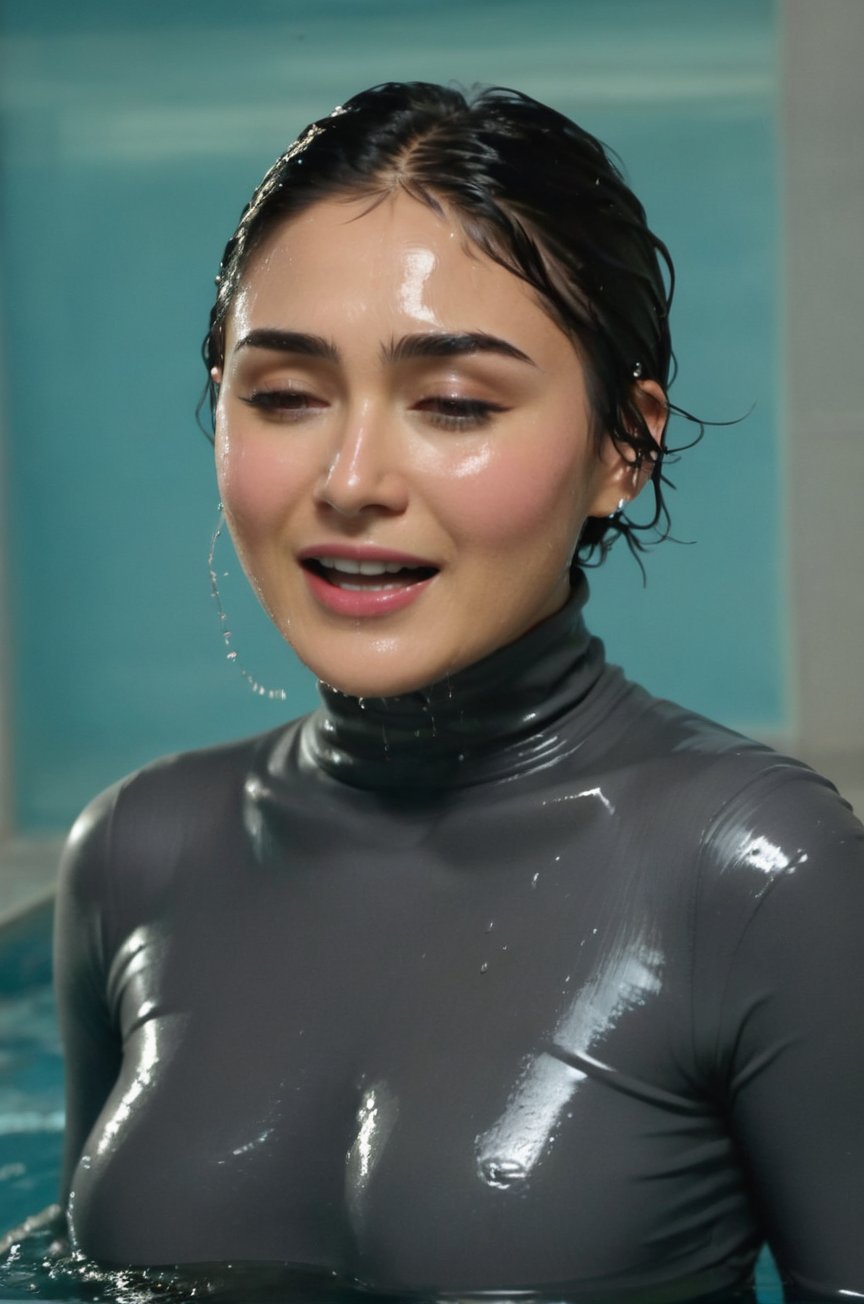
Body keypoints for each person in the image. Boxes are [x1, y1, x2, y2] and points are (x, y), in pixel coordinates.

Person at [49, 82, 864, 1301]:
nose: (354, 477)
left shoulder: (758, 877)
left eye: (455, 404)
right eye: (283, 394)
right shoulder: (134, 855)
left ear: (621, 450)